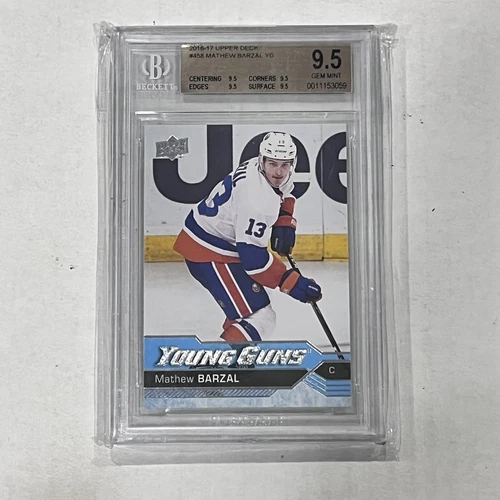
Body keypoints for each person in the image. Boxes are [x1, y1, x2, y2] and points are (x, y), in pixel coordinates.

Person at [173, 132, 322, 342]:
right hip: (209, 252)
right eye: (273, 164)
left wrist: (284, 219)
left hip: (217, 241)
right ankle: (224, 360)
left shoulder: (260, 168)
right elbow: (254, 262)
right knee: (260, 317)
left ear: (292, 163)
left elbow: (286, 189)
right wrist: (293, 283)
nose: (279, 172)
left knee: (250, 308)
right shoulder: (257, 200)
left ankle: (234, 349)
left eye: (285, 164)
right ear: (262, 160)